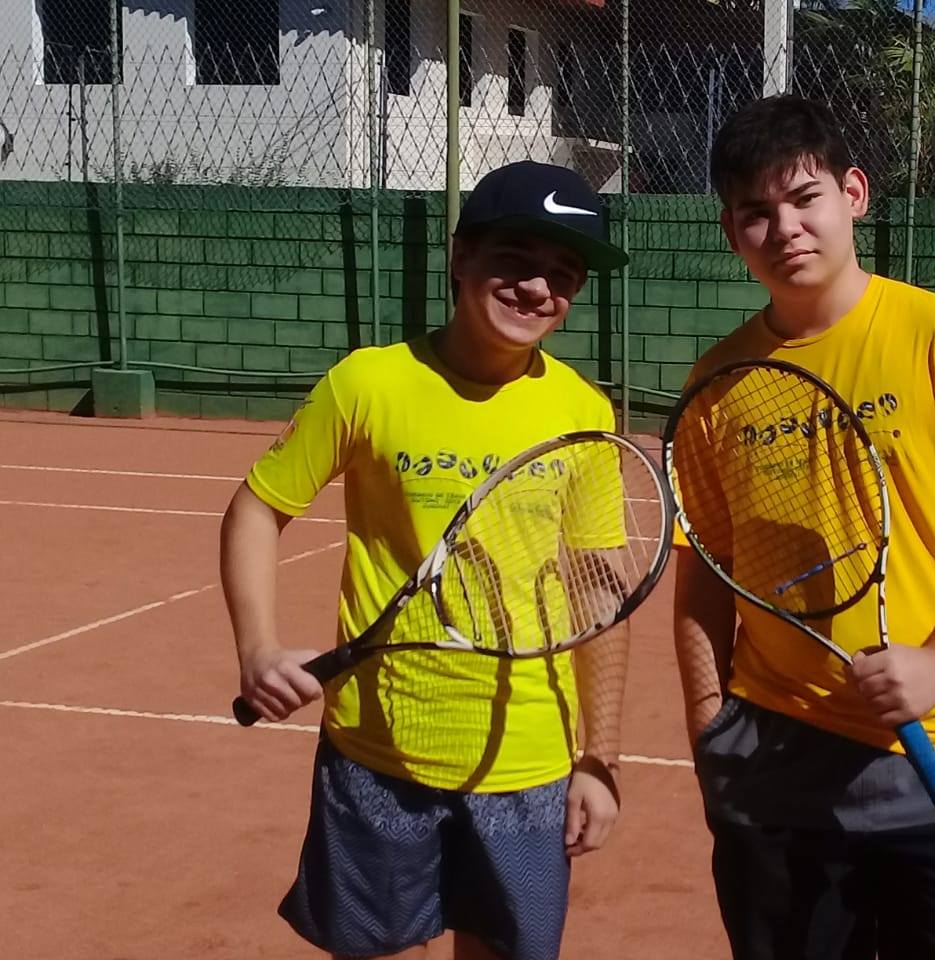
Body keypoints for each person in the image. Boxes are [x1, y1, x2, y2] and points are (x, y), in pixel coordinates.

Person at [672, 95, 935, 960]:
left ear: (853, 193)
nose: (785, 228)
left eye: (804, 197)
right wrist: (710, 731)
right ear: (731, 232)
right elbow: (705, 569)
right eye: (756, 212)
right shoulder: (716, 383)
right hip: (777, 767)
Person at [220, 160, 630, 960]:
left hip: (526, 761)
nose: (537, 288)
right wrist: (257, 647)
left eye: (563, 273)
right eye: (515, 259)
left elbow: (598, 595)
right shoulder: (368, 384)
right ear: (461, 256)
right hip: (377, 752)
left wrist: (600, 759)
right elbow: (256, 509)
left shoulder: (582, 411)